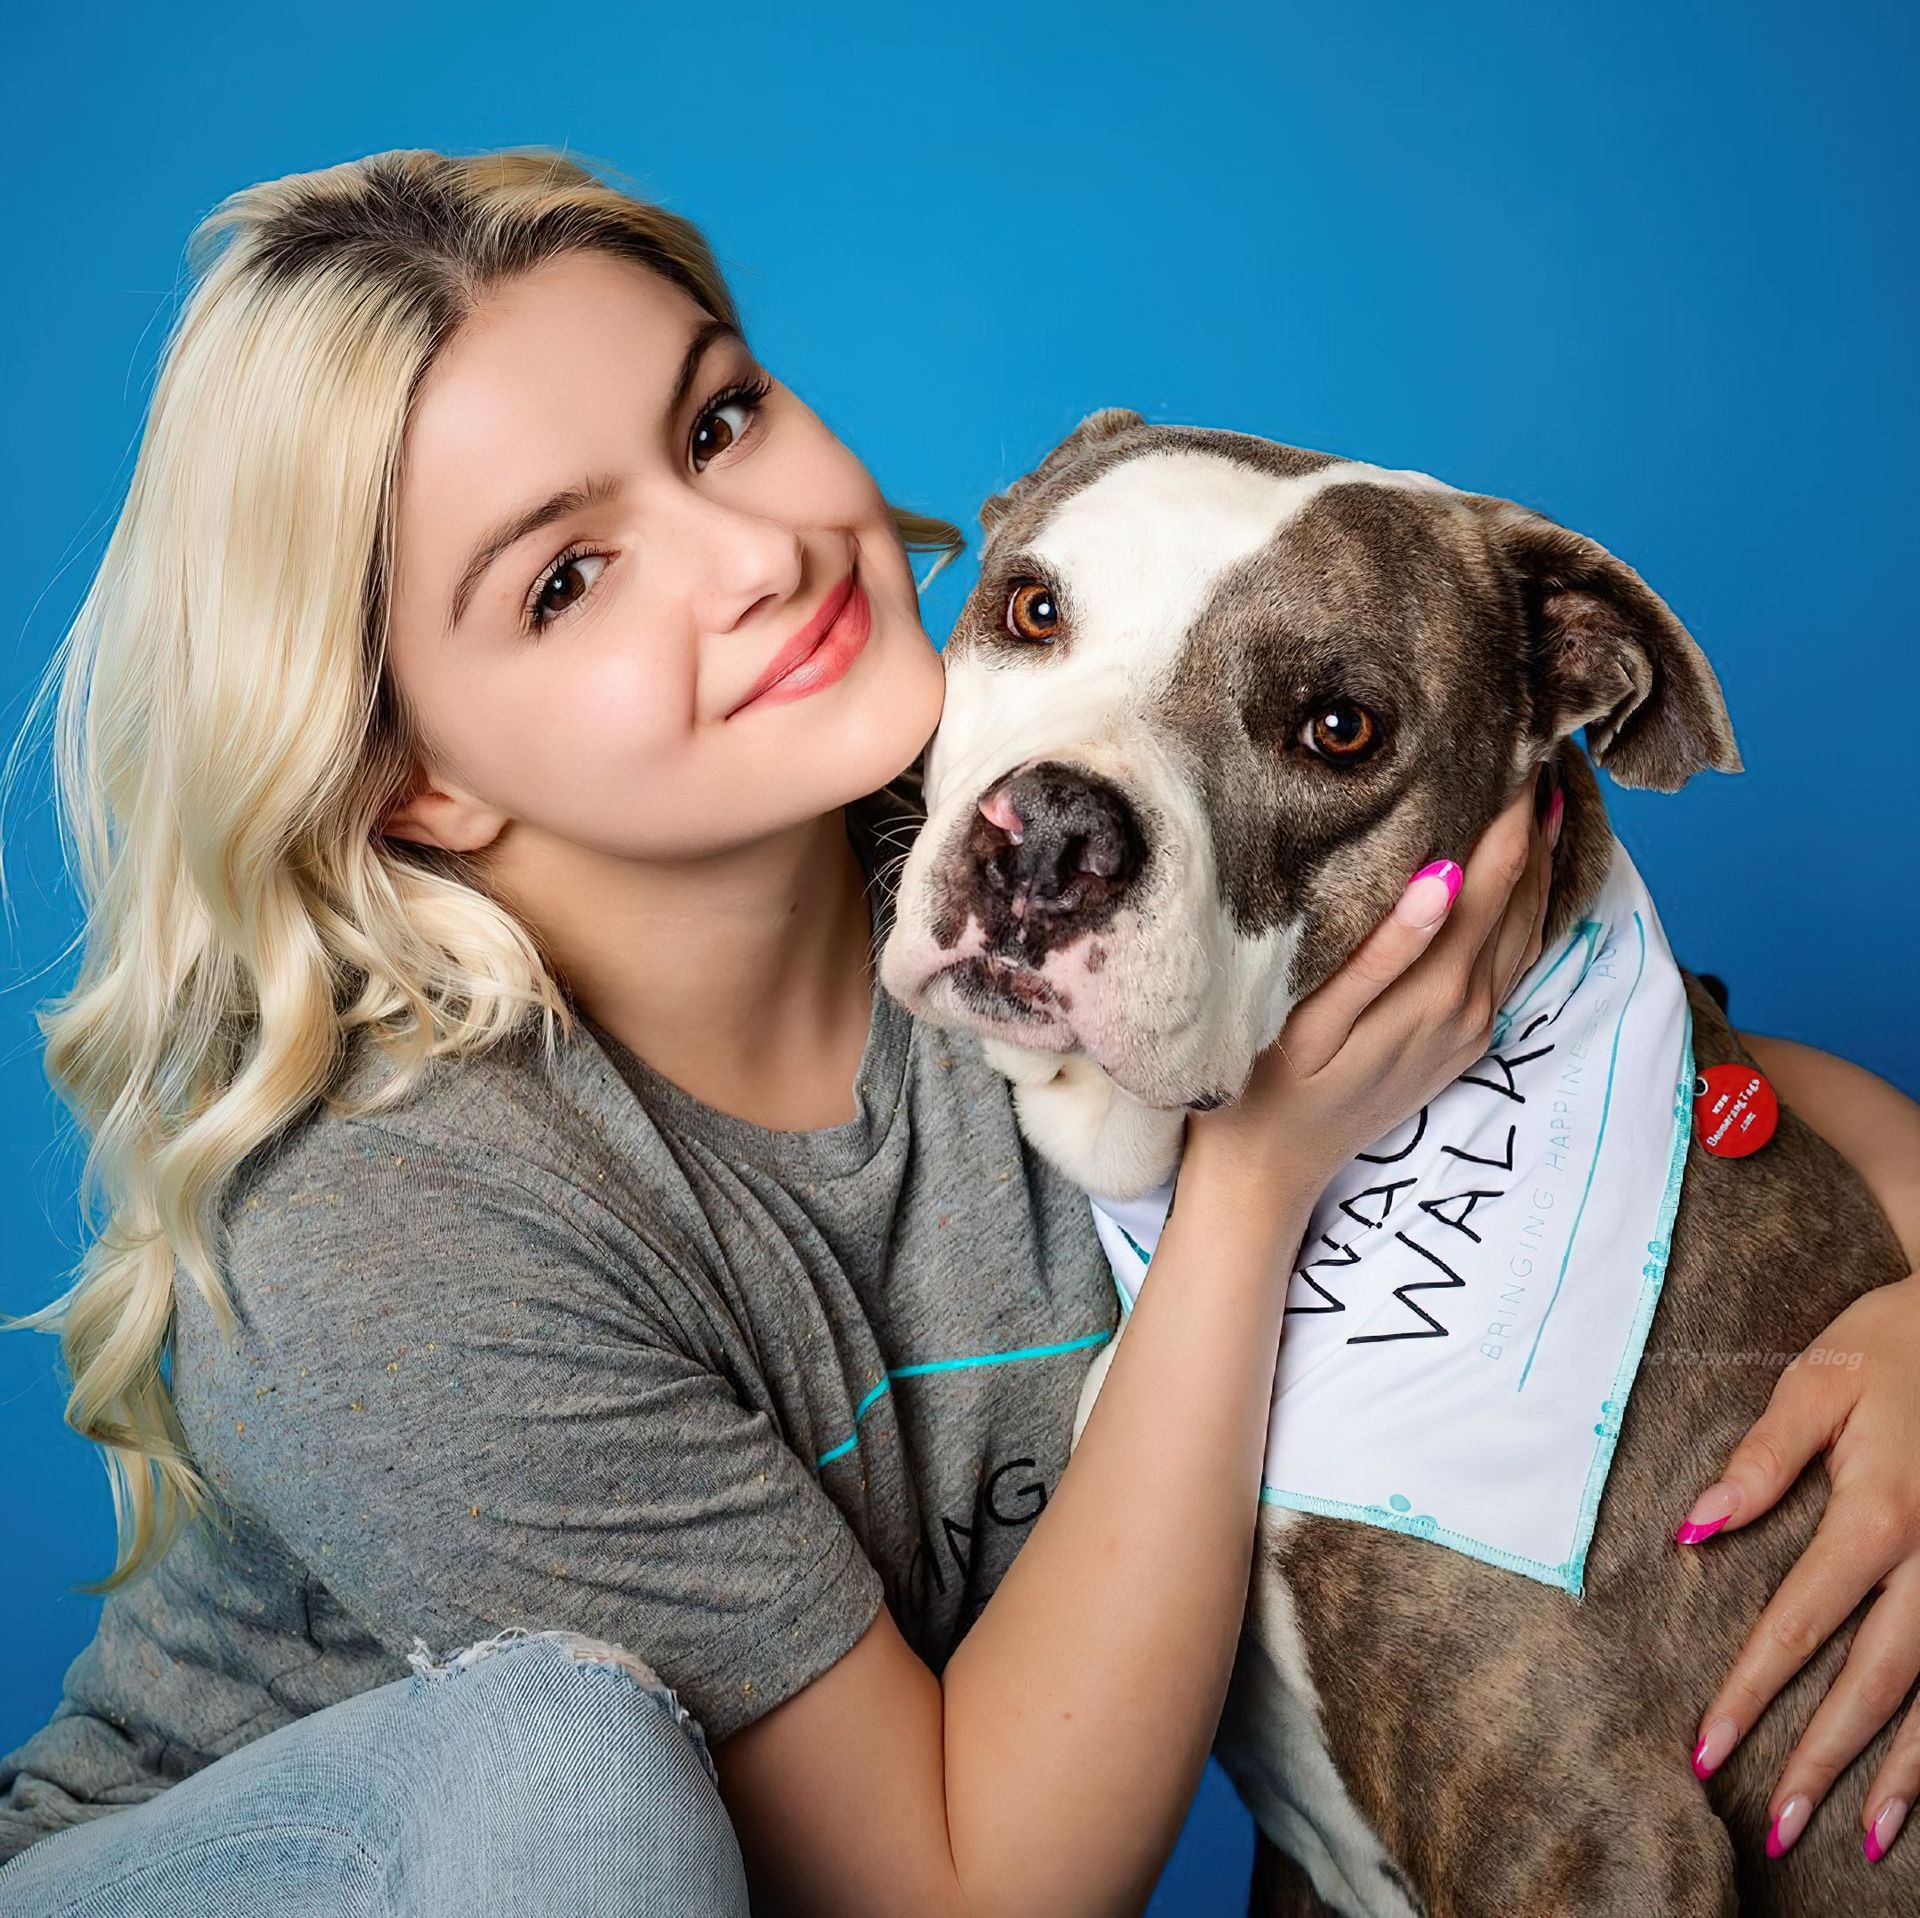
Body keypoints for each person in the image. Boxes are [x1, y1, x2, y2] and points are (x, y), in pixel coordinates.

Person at [0, 146, 1914, 1915]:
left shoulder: (1036, 860)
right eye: (567, 579)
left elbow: (1660, 1092)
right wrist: (1253, 1187)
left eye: (719, 421)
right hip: (301, 1866)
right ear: (414, 774)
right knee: (571, 1772)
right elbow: (962, 1892)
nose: (750, 553)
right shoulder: (393, 1235)